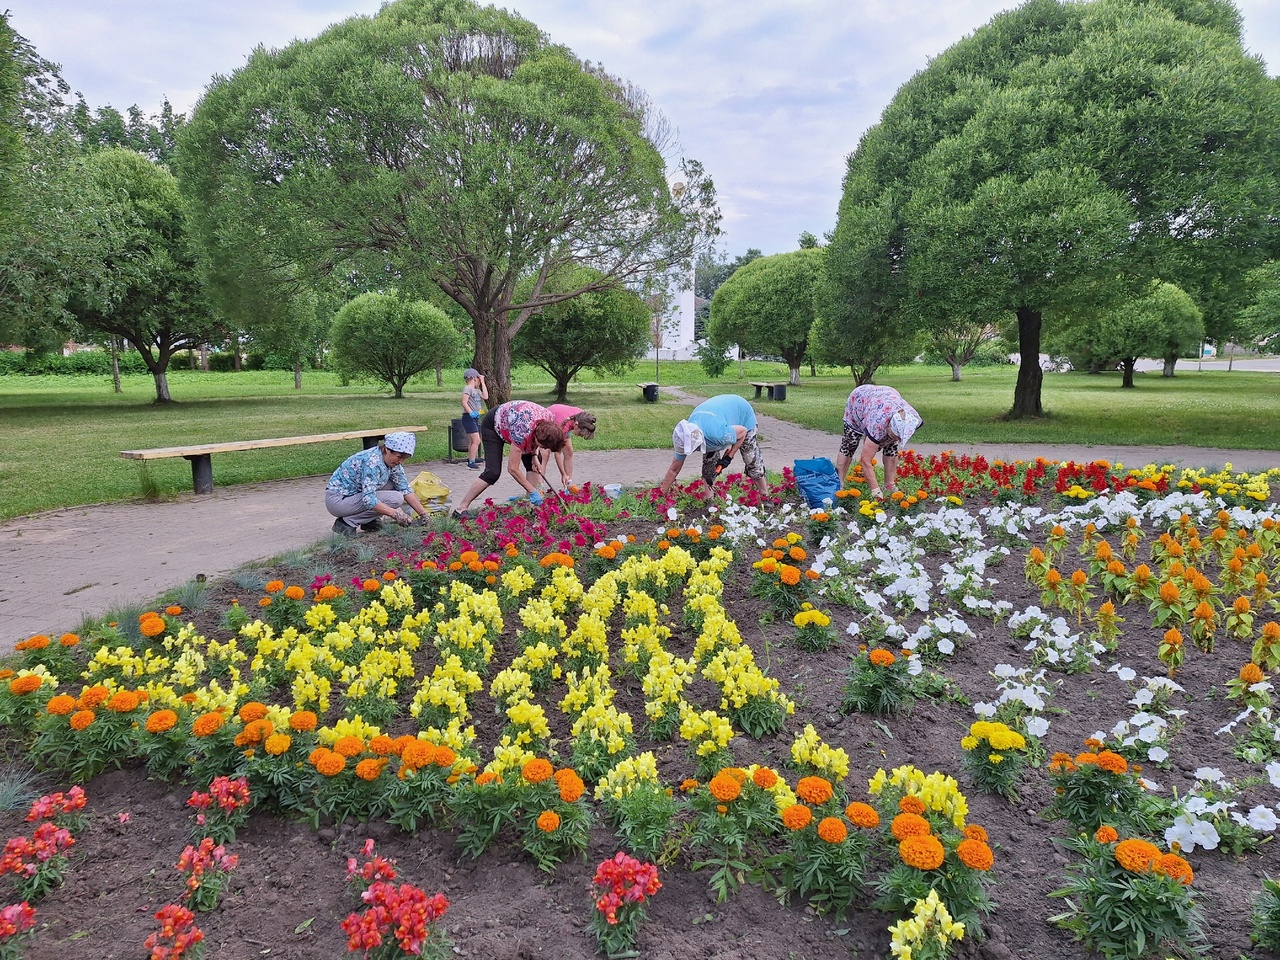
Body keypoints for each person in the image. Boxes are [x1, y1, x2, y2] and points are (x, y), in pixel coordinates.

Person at [452, 400, 567, 517]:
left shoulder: (549, 420)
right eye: (542, 445)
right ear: (536, 436)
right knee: (492, 473)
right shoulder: (522, 431)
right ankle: (461, 509)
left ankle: (532, 508)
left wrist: (534, 456)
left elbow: (537, 443)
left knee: (536, 463)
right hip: (493, 425)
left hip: (516, 421)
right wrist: (532, 491)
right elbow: (513, 469)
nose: (542, 447)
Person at [658, 393, 767, 495]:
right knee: (709, 463)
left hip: (742, 413)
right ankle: (710, 500)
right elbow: (674, 469)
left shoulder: (717, 435)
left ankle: (765, 495)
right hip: (718, 418)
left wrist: (729, 456)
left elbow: (742, 432)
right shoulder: (685, 434)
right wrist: (660, 494)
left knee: (750, 458)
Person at [325, 431, 431, 535]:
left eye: (404, 459)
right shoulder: (372, 462)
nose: (401, 462)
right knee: (395, 498)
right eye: (399, 457)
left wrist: (424, 514)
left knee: (395, 486)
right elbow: (369, 500)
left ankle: (369, 522)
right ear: (387, 449)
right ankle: (347, 523)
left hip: (353, 496)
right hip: (338, 501)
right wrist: (396, 514)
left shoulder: (392, 463)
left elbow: (404, 488)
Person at [837, 384, 923, 499]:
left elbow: (895, 436)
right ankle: (839, 484)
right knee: (850, 443)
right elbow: (865, 460)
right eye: (894, 434)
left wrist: (893, 437)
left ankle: (889, 485)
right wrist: (875, 490)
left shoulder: (912, 419)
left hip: (886, 396)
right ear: (888, 426)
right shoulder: (877, 424)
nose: (897, 438)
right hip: (860, 399)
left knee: (891, 446)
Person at [537, 403, 597, 492]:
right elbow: (557, 454)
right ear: (576, 425)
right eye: (581, 433)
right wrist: (563, 474)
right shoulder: (563, 427)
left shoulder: (583, 417)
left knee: (569, 451)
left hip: (562, 422)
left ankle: (569, 484)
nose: (581, 436)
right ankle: (539, 487)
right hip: (549, 423)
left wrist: (565, 476)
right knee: (544, 454)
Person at [461, 368, 488, 468]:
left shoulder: (476, 390)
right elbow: (464, 402)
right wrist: (471, 412)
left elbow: (485, 396)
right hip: (468, 417)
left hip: (474, 417)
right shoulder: (468, 388)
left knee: (473, 441)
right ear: (475, 378)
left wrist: (483, 383)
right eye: (479, 380)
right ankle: (471, 463)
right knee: (476, 440)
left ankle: (471, 458)